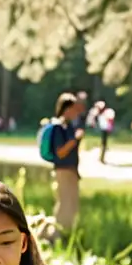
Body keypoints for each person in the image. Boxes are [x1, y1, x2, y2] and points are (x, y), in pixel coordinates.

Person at [48, 93, 84, 236]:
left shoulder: (69, 126)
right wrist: (75, 139)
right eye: (74, 109)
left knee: (72, 204)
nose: (76, 112)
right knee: (63, 203)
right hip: (63, 171)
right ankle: (54, 234)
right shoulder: (58, 127)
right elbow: (60, 152)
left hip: (71, 170)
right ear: (66, 109)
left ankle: (67, 233)